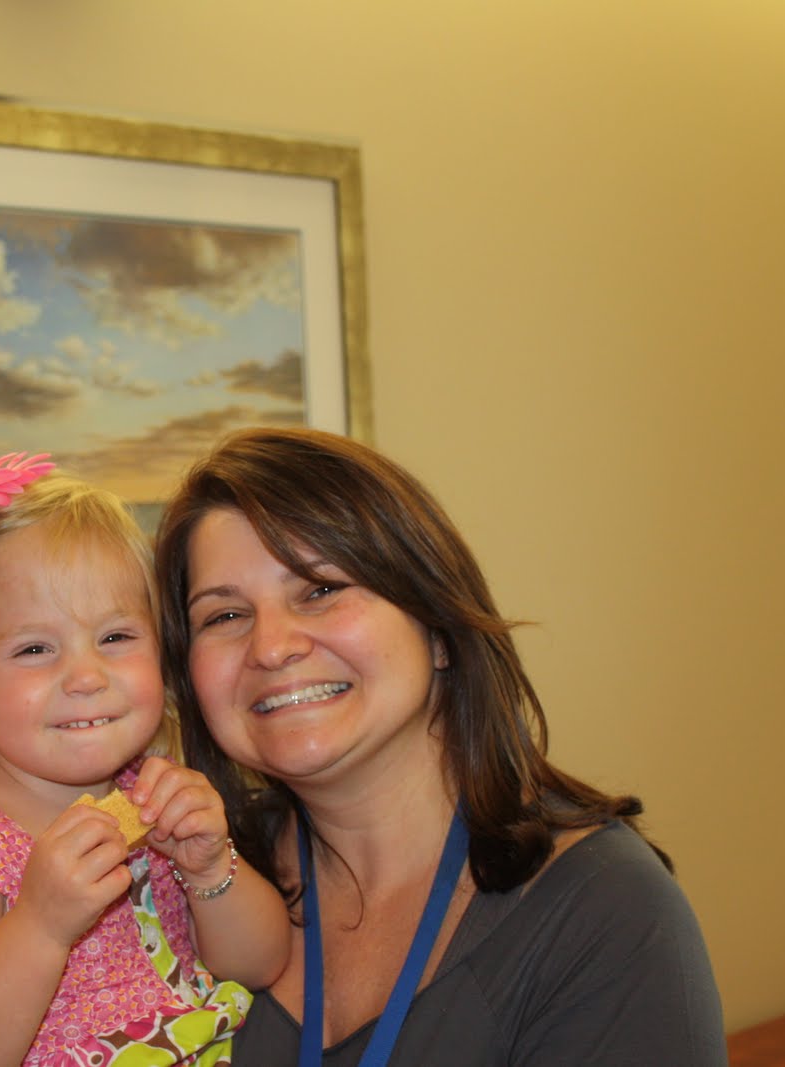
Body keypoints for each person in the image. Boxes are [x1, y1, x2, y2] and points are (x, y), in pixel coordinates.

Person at [154, 426, 727, 1066]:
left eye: (320, 589)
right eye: (225, 616)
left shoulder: (605, 912)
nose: (270, 647)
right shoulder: (178, 882)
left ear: (438, 629)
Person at [0, 455, 291, 1067]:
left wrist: (210, 869)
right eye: (35, 649)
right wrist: (40, 927)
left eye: (115, 638)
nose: (86, 677)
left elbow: (261, 964)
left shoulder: (158, 795)